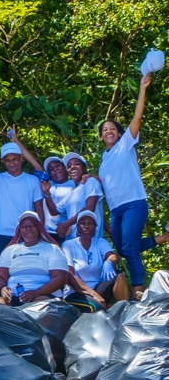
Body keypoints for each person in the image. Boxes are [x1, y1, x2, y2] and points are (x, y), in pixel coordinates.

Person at [99, 72, 159, 296]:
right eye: (105, 130)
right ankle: (160, 239)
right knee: (123, 249)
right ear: (102, 137)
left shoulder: (126, 144)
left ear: (120, 133)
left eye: (112, 128)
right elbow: (105, 181)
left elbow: (137, 117)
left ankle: (138, 291)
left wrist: (142, 88)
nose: (108, 131)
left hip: (133, 203)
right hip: (116, 209)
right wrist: (91, 178)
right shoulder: (104, 158)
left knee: (131, 249)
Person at [0, 139, 44, 258]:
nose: (11, 163)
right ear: (3, 162)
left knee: (26, 269)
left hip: (27, 233)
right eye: (7, 160)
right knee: (3, 271)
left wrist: (41, 231)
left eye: (14, 159)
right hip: (4, 233)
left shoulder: (32, 180)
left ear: (21, 158)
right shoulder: (0, 179)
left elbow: (39, 208)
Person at [0, 211, 67, 306]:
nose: (28, 229)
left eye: (33, 225)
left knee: (40, 306)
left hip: (43, 295)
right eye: (24, 226)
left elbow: (61, 278)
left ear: (39, 228)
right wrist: (2, 288)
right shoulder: (10, 250)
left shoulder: (52, 249)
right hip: (13, 297)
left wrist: (36, 292)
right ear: (19, 230)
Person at [62, 211, 130, 311]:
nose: (86, 226)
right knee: (96, 307)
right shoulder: (69, 245)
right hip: (77, 292)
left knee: (119, 275)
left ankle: (126, 312)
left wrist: (109, 262)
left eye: (91, 223)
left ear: (95, 227)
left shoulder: (100, 242)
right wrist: (93, 294)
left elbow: (113, 256)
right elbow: (69, 274)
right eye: (83, 223)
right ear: (77, 226)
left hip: (98, 288)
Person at [51, 152, 105, 240]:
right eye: (69, 166)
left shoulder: (90, 181)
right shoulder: (71, 193)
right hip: (73, 241)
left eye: (77, 164)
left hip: (90, 238)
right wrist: (47, 193)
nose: (72, 167)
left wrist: (66, 223)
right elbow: (54, 211)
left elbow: (90, 207)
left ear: (85, 168)